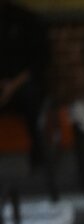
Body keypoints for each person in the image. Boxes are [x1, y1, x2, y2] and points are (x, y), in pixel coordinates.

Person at [0, 0, 50, 171]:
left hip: (22, 85)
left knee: (32, 97)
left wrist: (12, 86)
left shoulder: (24, 20)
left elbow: (39, 62)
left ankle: (39, 159)